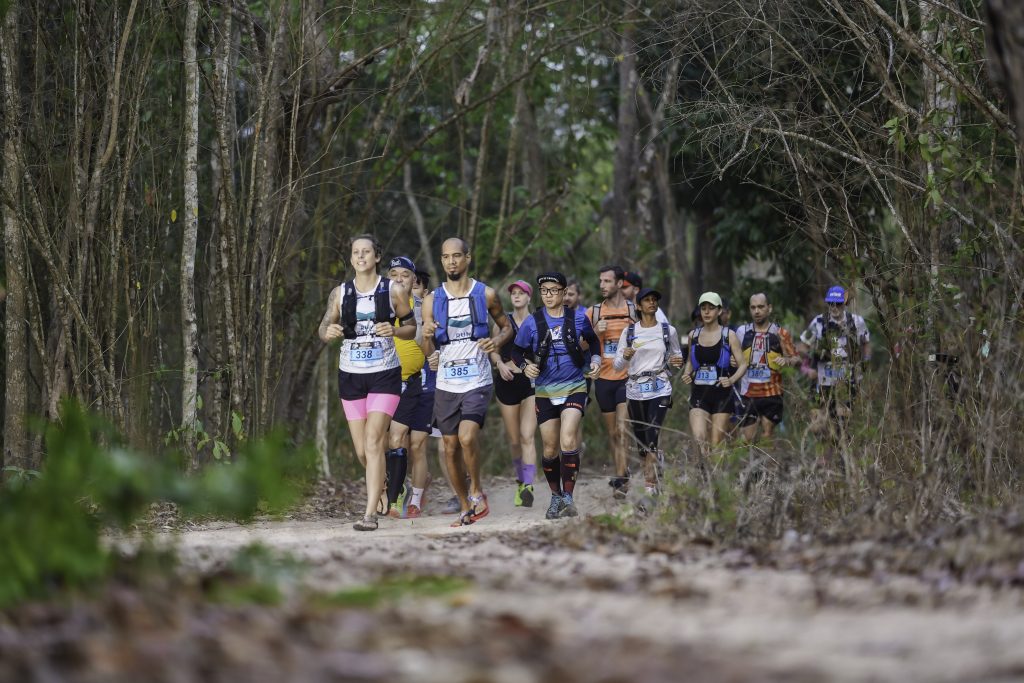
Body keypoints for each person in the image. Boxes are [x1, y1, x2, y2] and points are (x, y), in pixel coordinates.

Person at [318, 235, 417, 531]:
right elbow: (323, 326)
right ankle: (384, 485)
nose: (361, 256)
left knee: (374, 441)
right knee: (363, 451)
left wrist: (394, 331)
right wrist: (328, 332)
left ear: (377, 257)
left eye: (366, 252)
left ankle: (369, 514)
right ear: (351, 259)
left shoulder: (393, 290)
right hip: (350, 375)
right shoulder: (340, 293)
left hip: (384, 373)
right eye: (356, 252)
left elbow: (411, 327)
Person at [421, 238, 513, 527]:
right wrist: (428, 339)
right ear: (441, 260)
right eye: (446, 257)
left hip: (477, 379)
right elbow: (428, 349)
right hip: (446, 382)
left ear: (467, 258)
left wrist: (496, 342)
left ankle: (476, 491)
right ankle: (464, 505)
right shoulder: (431, 300)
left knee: (467, 437)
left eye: (457, 256)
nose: (451, 262)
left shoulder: (486, 294)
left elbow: (506, 327)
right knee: (449, 447)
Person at [511, 272, 601, 519]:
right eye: (544, 291)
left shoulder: (578, 318)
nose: (548, 295)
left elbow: (593, 342)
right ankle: (556, 497)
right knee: (550, 449)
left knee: (568, 440)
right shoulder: (533, 322)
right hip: (545, 390)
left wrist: (595, 360)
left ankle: (569, 497)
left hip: (575, 386)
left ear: (563, 292)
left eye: (553, 290)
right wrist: (525, 366)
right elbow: (516, 352)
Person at [612, 287, 684, 505]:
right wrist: (625, 356)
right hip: (635, 390)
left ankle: (649, 489)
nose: (652, 303)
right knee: (642, 442)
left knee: (652, 434)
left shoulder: (668, 331)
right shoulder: (629, 332)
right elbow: (617, 366)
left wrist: (676, 362)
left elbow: (677, 357)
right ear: (639, 306)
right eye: (647, 300)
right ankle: (655, 462)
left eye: (654, 299)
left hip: (660, 388)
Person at [382, 256, 431, 518]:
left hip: (413, 382)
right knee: (378, 443)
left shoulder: (425, 307)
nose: (399, 279)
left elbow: (436, 340)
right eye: (393, 274)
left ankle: (397, 496)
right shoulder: (378, 305)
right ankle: (389, 487)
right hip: (379, 382)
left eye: (405, 274)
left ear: (414, 279)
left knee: (401, 440)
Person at [587, 265, 637, 498]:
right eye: (601, 281)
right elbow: (580, 345)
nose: (602, 285)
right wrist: (595, 332)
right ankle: (622, 471)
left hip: (627, 378)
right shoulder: (594, 312)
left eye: (607, 281)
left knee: (623, 429)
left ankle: (622, 480)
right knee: (613, 434)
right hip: (604, 379)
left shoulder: (633, 310)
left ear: (619, 283)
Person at [489, 279, 539, 507]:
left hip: (529, 383)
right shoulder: (503, 322)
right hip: (506, 382)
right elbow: (493, 350)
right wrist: (499, 364)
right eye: (513, 293)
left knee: (527, 435)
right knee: (514, 440)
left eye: (521, 293)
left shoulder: (537, 322)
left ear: (529, 297)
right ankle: (520, 482)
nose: (517, 296)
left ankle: (528, 485)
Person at [681, 292, 747, 448]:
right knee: (699, 439)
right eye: (703, 308)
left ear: (719, 311)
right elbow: (690, 360)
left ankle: (718, 464)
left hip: (722, 395)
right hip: (699, 394)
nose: (706, 312)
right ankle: (702, 464)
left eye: (711, 308)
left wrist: (731, 379)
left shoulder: (729, 335)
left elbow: (743, 364)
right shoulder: (693, 335)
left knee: (716, 443)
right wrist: (686, 373)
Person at [797, 285, 871, 426]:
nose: (834, 307)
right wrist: (806, 365)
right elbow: (803, 346)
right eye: (831, 303)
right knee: (818, 424)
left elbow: (866, 343)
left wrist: (865, 363)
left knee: (842, 422)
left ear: (844, 304)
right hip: (821, 380)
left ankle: (841, 438)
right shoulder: (818, 322)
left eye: (838, 304)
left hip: (847, 380)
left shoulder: (857, 322)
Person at [735, 293, 801, 440]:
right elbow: (734, 356)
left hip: (772, 393)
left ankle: (769, 455)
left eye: (760, 307)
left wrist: (787, 361)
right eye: (753, 308)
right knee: (747, 439)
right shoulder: (742, 332)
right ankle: (750, 456)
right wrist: (734, 361)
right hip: (748, 393)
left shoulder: (780, 333)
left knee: (767, 435)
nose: (756, 311)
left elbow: (797, 359)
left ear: (769, 308)